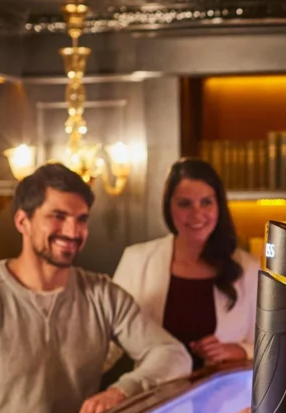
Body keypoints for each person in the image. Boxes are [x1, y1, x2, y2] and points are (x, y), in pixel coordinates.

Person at [0, 163, 191, 413]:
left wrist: (121, 391)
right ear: (22, 221)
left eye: (81, 219)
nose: (73, 231)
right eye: (58, 217)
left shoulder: (103, 294)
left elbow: (174, 355)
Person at [111, 158, 259, 371]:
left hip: (226, 397)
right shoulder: (137, 259)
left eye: (206, 202)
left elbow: (272, 344)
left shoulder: (249, 268)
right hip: (156, 395)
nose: (197, 214)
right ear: (169, 206)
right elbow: (110, 339)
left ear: (219, 205)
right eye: (184, 204)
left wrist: (237, 350)